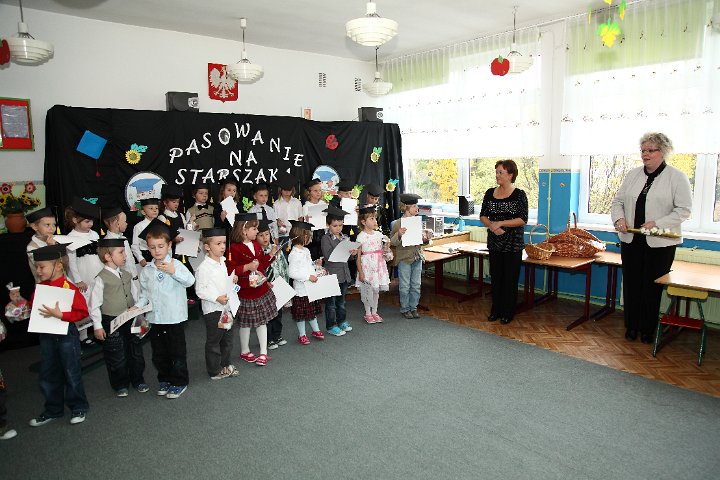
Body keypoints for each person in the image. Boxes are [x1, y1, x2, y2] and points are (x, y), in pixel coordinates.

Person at [611, 132, 692, 344]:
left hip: (660, 243)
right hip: (632, 241)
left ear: (663, 152)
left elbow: (683, 210)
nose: (645, 154)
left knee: (651, 287)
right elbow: (617, 202)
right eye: (643, 150)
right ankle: (631, 326)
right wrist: (619, 219)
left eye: (650, 150)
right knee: (631, 285)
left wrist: (657, 223)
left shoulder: (677, 177)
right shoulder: (633, 175)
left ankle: (647, 329)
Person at [28, 244, 90, 427]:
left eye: (42, 267)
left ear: (58, 266)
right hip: (47, 336)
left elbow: (82, 312)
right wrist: (21, 304)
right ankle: (53, 409)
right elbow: (33, 307)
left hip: (66, 336)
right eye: (37, 267)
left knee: (71, 371)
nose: (38, 271)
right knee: (48, 373)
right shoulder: (41, 287)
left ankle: (78, 406)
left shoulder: (68, 287)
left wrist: (62, 315)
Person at [134, 220, 195, 399]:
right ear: (148, 248)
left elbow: (190, 281)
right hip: (155, 318)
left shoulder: (176, 264)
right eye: (152, 247)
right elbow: (144, 294)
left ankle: (179, 381)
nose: (157, 251)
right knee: (159, 353)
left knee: (176, 351)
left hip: (174, 317)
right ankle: (165, 378)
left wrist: (173, 271)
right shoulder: (147, 270)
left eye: (161, 246)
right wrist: (137, 307)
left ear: (169, 246)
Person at [89, 238, 148, 397]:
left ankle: (138, 379)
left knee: (135, 351)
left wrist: (140, 313)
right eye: (121, 253)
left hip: (131, 318)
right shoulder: (101, 278)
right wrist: (97, 326)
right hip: (112, 321)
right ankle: (120, 384)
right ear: (108, 256)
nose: (125, 256)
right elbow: (94, 304)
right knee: (116, 354)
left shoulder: (127, 275)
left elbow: (135, 295)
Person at [479, 160, 528, 325]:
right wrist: (493, 226)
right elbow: (483, 215)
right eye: (497, 172)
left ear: (510, 175)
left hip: (513, 243)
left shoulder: (519, 194)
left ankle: (508, 312)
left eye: (501, 172)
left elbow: (522, 219)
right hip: (495, 241)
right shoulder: (489, 193)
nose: (497, 175)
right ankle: (496, 310)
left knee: (509, 279)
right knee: (496, 278)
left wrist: (501, 223)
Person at [226, 213, 278, 366]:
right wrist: (247, 267)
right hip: (246, 292)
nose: (257, 231)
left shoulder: (256, 245)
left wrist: (270, 255)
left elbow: (260, 264)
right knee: (246, 323)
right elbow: (230, 270)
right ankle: (245, 350)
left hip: (260, 290)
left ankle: (263, 352)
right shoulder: (234, 248)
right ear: (244, 230)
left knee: (262, 322)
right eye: (254, 229)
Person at [195, 228, 240, 379]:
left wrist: (231, 280)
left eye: (224, 243)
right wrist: (216, 298)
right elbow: (200, 290)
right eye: (218, 243)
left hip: (226, 308)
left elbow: (222, 282)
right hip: (213, 310)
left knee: (227, 339)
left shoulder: (222, 262)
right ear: (207, 247)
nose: (222, 247)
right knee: (214, 341)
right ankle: (214, 371)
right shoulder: (204, 268)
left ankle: (225, 365)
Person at [389, 193, 431, 319]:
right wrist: (399, 234)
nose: (417, 208)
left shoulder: (418, 222)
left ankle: (414, 307)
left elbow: (421, 242)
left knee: (416, 285)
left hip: (417, 257)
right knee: (405, 285)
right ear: (406, 208)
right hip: (404, 259)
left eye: (416, 206)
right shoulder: (398, 223)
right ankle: (405, 308)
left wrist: (426, 239)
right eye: (414, 206)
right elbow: (392, 242)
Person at [287, 220, 325, 345]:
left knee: (311, 312)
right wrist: (308, 277)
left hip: (310, 288)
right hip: (301, 290)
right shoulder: (294, 254)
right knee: (301, 315)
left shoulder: (306, 251)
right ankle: (302, 334)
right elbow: (292, 273)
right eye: (309, 235)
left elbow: (307, 266)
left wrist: (315, 265)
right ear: (303, 236)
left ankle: (316, 330)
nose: (310, 238)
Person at [321, 205, 356, 335]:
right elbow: (328, 256)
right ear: (328, 225)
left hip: (344, 274)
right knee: (331, 303)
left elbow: (349, 258)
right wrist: (342, 249)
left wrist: (352, 253)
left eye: (340, 225)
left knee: (342, 302)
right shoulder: (326, 238)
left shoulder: (345, 237)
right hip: (332, 275)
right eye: (335, 226)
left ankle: (342, 321)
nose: (338, 228)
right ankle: (331, 326)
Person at [256, 220, 289, 350]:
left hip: (278, 285)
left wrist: (285, 285)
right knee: (266, 314)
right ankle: (268, 339)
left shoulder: (275, 249)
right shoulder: (257, 252)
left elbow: (284, 266)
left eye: (267, 234)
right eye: (261, 235)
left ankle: (277, 335)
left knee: (278, 313)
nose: (265, 238)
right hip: (265, 286)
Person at [356, 206, 391, 323]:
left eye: (375, 218)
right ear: (363, 222)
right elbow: (358, 257)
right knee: (368, 291)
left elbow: (384, 250)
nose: (375, 221)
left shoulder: (379, 235)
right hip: (367, 268)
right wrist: (360, 272)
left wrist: (387, 246)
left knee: (376, 291)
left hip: (378, 267)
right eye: (371, 219)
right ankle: (368, 313)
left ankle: (375, 311)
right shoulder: (361, 237)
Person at [65, 197, 103, 298]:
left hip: (97, 268)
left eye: (92, 221)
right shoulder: (70, 237)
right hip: (82, 273)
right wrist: (78, 280)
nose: (91, 224)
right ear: (75, 220)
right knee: (87, 297)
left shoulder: (94, 234)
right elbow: (71, 262)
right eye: (87, 221)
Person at [102, 205, 139, 288]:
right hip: (123, 283)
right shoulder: (108, 242)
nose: (126, 223)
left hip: (134, 279)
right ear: (117, 223)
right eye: (125, 221)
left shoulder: (123, 238)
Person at [273, 172, 303, 254]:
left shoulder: (297, 202)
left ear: (292, 189)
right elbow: (274, 221)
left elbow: (300, 218)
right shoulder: (276, 204)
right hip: (283, 234)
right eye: (284, 189)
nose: (287, 191)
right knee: (284, 255)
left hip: (296, 234)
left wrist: (300, 232)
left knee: (297, 254)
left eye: (289, 189)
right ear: (280, 189)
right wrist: (278, 223)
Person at [26, 207, 58, 282]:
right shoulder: (32, 247)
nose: (52, 228)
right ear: (35, 227)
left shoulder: (55, 240)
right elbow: (47, 267)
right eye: (47, 225)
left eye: (54, 225)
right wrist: (51, 248)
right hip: (45, 284)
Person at [302, 178, 327, 260]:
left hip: (322, 234)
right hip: (312, 236)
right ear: (309, 192)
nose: (318, 192)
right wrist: (306, 219)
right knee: (313, 257)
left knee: (322, 257)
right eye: (315, 191)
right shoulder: (306, 206)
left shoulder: (323, 204)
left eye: (319, 190)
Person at [131, 197, 161, 267]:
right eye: (151, 208)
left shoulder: (160, 225)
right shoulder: (139, 226)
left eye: (156, 208)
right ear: (143, 212)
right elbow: (135, 245)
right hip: (146, 256)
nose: (154, 210)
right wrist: (140, 258)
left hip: (159, 255)